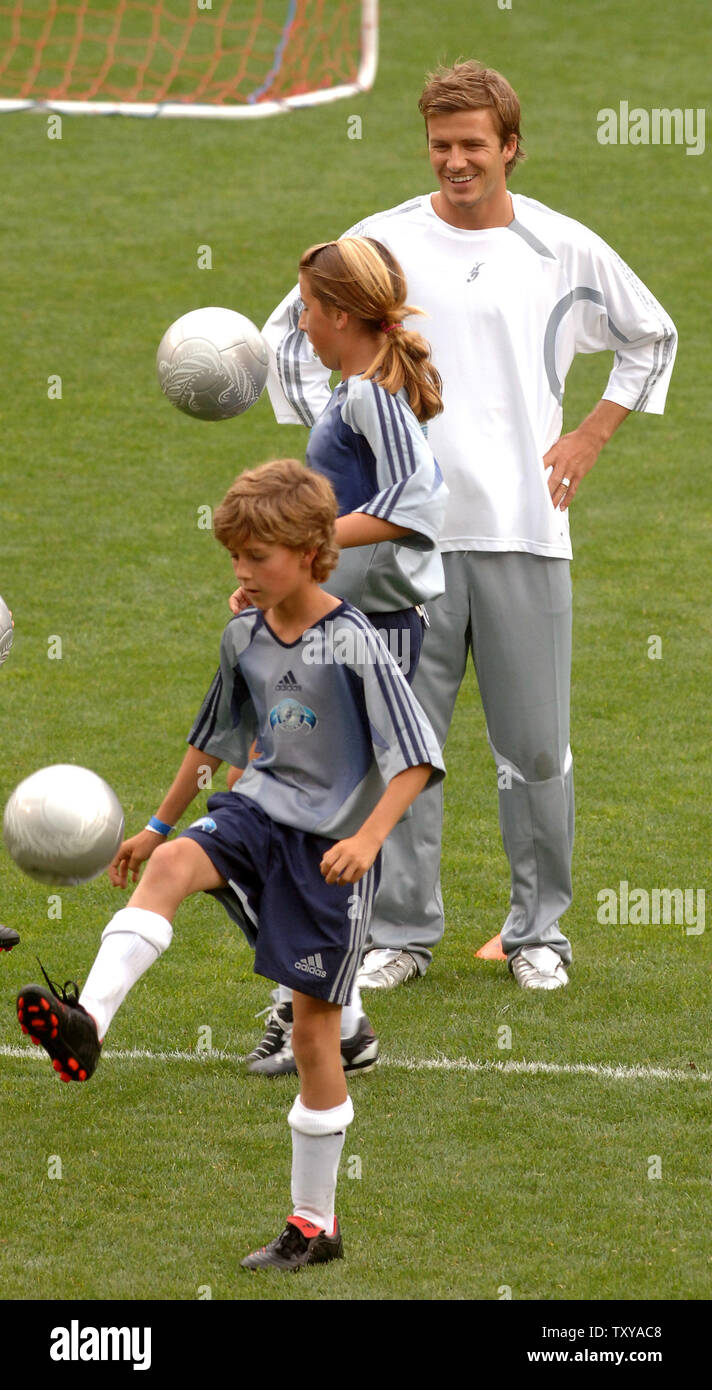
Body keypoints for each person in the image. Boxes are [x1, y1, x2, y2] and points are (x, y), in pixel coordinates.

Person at [260, 60, 678, 992]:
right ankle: (401, 935)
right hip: (402, 548)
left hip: (525, 532)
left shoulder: (562, 248)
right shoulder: (378, 243)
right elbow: (286, 335)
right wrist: (336, 459)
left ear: (511, 149)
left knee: (535, 749)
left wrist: (590, 435)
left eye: (474, 146)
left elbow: (654, 334)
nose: (456, 162)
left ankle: (541, 935)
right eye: (442, 145)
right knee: (404, 742)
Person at [16, 458, 444, 1271]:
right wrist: (155, 823)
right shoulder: (243, 635)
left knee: (316, 1034)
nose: (243, 573)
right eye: (235, 557)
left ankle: (314, 1225)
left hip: (331, 855)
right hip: (256, 815)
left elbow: (416, 758)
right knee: (172, 865)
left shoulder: (356, 642)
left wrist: (370, 839)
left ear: (314, 551)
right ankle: (88, 1026)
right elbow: (214, 740)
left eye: (260, 557)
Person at [234, 236, 448, 1071]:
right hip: (334, 624)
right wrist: (278, 580)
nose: (303, 328)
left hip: (371, 635)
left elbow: (412, 504)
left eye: (309, 312)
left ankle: (319, 1010)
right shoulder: (355, 390)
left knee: (301, 820)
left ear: (342, 315)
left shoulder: (369, 398)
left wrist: (294, 540)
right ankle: (323, 1010)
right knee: (291, 814)